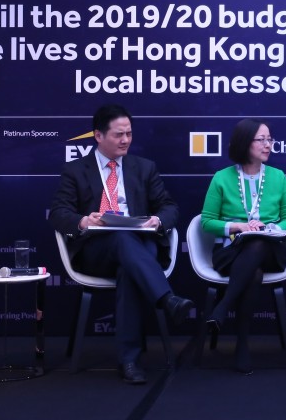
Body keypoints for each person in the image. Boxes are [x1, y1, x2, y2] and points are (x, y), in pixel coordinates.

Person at [49, 104, 191, 385]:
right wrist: (84, 221)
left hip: (140, 244)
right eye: (118, 134)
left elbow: (169, 207)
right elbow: (58, 213)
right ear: (98, 136)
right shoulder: (76, 170)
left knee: (129, 263)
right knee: (120, 237)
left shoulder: (144, 168)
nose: (126, 140)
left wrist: (157, 220)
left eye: (129, 134)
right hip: (96, 250)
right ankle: (166, 299)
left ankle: (129, 361)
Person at [200, 118, 286, 375]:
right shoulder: (222, 178)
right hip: (231, 252)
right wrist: (239, 227)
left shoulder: (278, 177)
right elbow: (207, 222)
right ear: (245, 143)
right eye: (261, 140)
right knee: (252, 272)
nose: (268, 145)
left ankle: (223, 307)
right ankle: (242, 344)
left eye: (270, 139)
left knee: (258, 243)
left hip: (269, 250)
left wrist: (267, 228)